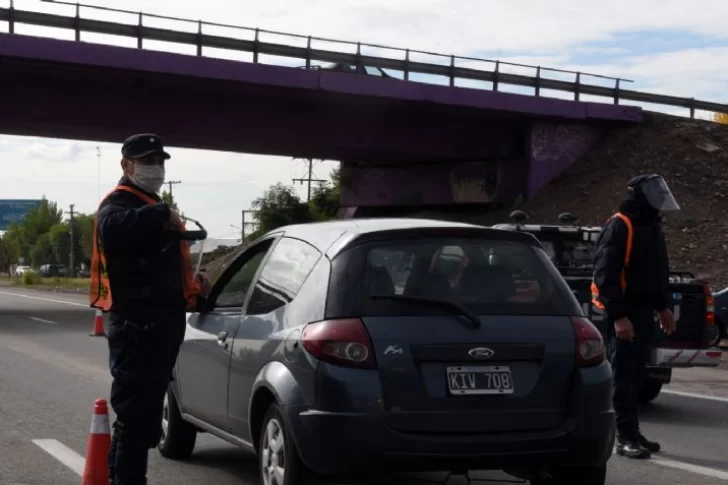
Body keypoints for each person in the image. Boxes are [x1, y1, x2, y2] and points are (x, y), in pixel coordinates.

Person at [88, 133, 211, 485]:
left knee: (140, 422)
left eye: (159, 161)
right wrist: (161, 213)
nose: (156, 168)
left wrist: (193, 286)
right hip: (137, 331)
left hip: (157, 329)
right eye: (148, 161)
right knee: (137, 422)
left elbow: (157, 267)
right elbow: (112, 230)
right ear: (127, 165)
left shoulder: (145, 202)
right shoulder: (121, 203)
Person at [591, 174, 678, 459]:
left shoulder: (651, 225)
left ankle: (633, 431)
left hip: (643, 314)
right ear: (639, 194)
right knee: (623, 378)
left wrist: (663, 306)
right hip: (625, 316)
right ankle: (623, 438)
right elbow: (606, 275)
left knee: (637, 378)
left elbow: (655, 274)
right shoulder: (621, 224)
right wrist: (618, 316)